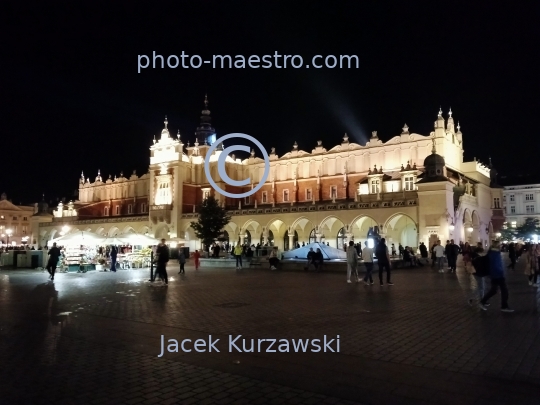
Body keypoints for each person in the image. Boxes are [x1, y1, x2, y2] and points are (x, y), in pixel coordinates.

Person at [479, 240, 513, 312]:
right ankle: (504, 306)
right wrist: (501, 272)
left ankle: (483, 301)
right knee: (504, 291)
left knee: (494, 290)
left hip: (495, 274)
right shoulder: (495, 254)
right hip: (498, 274)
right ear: (497, 246)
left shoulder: (493, 253)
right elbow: (496, 265)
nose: (501, 246)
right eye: (500, 245)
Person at [468, 242, 488, 306]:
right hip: (479, 273)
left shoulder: (475, 257)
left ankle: (479, 300)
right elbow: (481, 266)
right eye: (482, 252)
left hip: (477, 273)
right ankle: (480, 300)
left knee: (481, 287)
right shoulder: (478, 258)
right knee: (481, 288)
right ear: (479, 252)